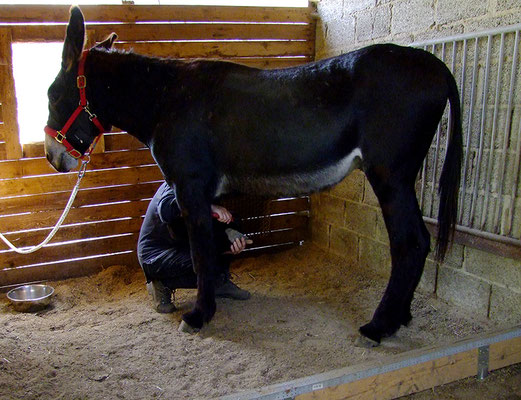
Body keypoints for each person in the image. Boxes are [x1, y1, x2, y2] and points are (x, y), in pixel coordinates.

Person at [137, 182, 252, 313]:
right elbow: (166, 210)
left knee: (224, 239)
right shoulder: (176, 183)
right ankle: (161, 283)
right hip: (156, 256)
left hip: (181, 245)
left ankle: (219, 282)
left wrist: (232, 242)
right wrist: (209, 207)